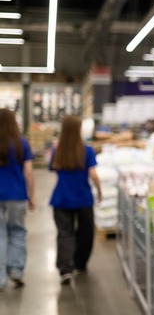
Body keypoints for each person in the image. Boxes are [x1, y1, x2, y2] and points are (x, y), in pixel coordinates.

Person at [49, 115, 102, 285]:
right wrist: (100, 191)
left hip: (62, 198)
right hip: (83, 198)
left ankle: (65, 268)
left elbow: (54, 169)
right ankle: (79, 263)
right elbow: (93, 174)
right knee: (85, 232)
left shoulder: (57, 151)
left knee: (65, 234)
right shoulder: (86, 150)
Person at [0, 109, 35, 290]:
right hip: (17, 194)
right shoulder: (22, 144)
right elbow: (28, 171)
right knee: (17, 231)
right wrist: (31, 195)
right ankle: (16, 270)